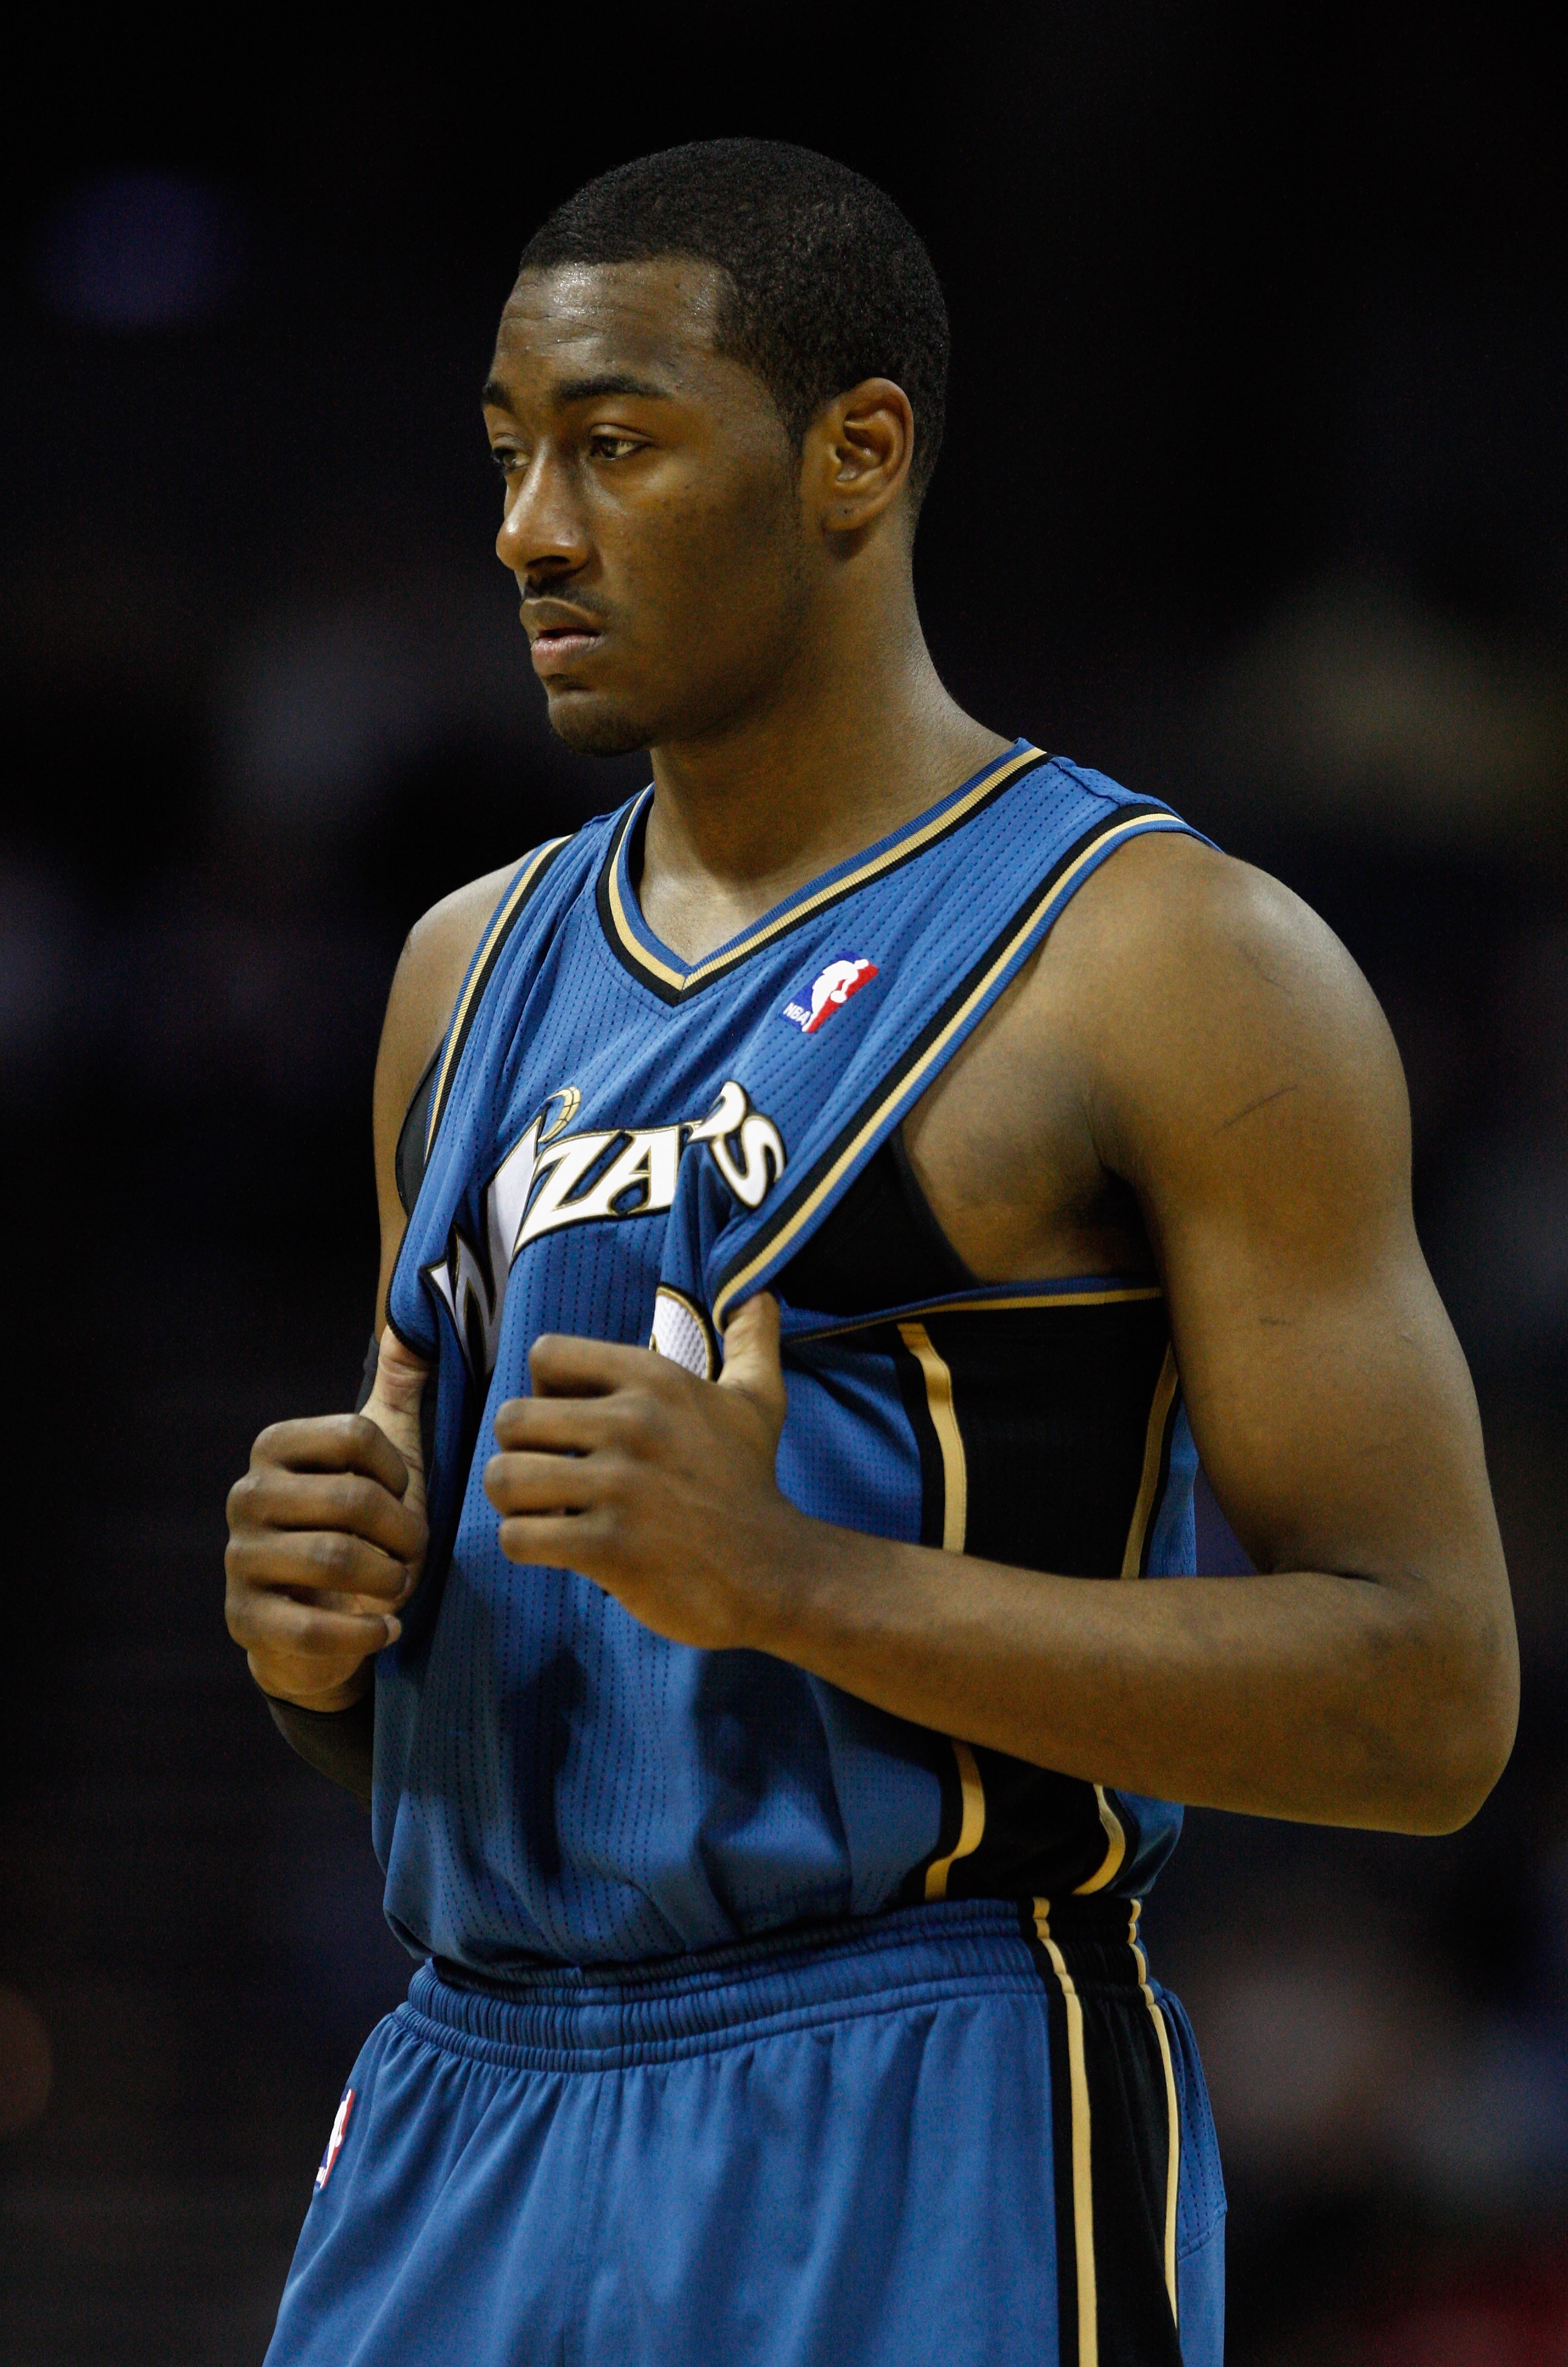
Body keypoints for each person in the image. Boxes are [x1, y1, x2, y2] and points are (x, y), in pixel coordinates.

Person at [224, 139, 1516, 2367]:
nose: (533, 527)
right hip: (467, 2096)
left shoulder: (1176, 961)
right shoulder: (464, 972)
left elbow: (1427, 1704)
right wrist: (327, 1649)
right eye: (511, 456)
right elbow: (537, 1696)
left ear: (858, 453)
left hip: (932, 2100)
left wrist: (797, 1583)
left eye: (615, 446)